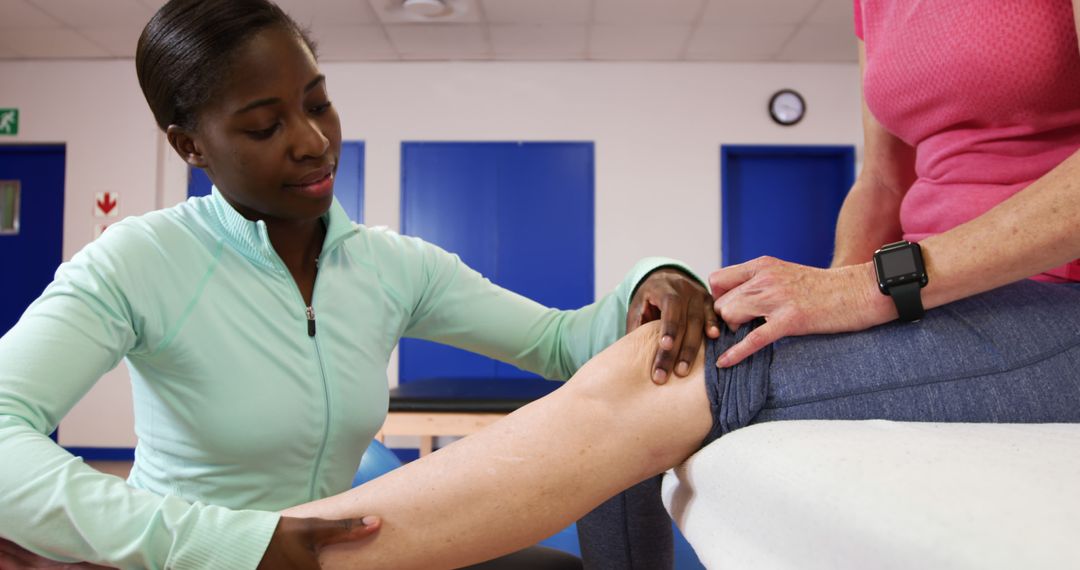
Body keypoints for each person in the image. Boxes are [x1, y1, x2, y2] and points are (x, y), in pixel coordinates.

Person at [0, 1, 718, 568]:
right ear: (191, 145)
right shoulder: (141, 259)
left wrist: (651, 283)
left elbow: (563, 342)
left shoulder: (389, 266)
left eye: (317, 103)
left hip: (343, 552)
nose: (313, 140)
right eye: (264, 125)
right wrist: (221, 546)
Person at [574, 0, 1080, 564]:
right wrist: (829, 300)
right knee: (639, 368)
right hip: (929, 299)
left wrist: (870, 288)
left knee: (649, 399)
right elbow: (884, 182)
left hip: (1057, 298)